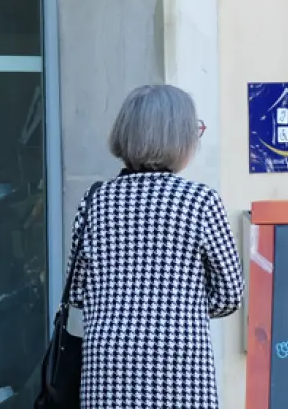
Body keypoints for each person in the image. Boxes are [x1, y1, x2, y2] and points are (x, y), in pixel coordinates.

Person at [66, 84, 243, 408]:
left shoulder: (95, 202)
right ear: (179, 139)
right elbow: (230, 294)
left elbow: (77, 293)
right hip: (181, 368)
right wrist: (176, 309)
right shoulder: (200, 202)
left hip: (107, 371)